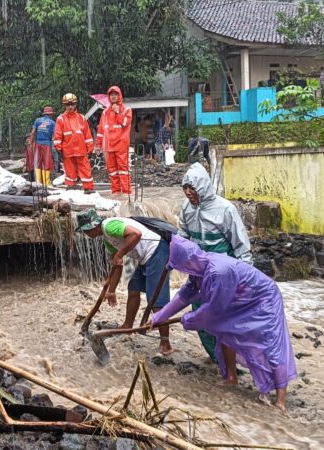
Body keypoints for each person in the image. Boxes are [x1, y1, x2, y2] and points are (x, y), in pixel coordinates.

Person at [150, 235, 297, 413]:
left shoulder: (218, 271)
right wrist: (159, 317)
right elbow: (184, 296)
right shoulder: (198, 269)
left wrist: (189, 319)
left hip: (262, 298)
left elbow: (213, 311)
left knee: (271, 342)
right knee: (226, 334)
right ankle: (231, 378)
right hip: (238, 297)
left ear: (186, 262)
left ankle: (280, 400)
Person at [179, 163, 253, 363]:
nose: (188, 192)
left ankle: (235, 365)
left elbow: (241, 245)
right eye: (185, 188)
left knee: (224, 320)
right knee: (201, 317)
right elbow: (183, 234)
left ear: (202, 186)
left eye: (192, 188)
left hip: (223, 274)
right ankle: (216, 358)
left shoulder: (225, 209)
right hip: (198, 273)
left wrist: (244, 277)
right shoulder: (187, 208)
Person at [76, 209, 173, 355]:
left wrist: (120, 254)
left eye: (85, 231)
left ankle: (165, 343)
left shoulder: (109, 226)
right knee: (133, 288)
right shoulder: (107, 239)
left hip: (157, 251)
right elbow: (117, 264)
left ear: (92, 227)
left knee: (156, 300)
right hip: (145, 256)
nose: (85, 234)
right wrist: (111, 291)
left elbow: (136, 234)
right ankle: (127, 326)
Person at [54, 93, 95, 193]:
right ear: (64, 105)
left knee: (85, 169)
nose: (70, 106)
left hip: (81, 150)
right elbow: (58, 135)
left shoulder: (81, 118)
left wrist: (90, 147)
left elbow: (87, 135)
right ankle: (71, 187)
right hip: (68, 150)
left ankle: (88, 188)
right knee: (70, 170)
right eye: (68, 104)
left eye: (72, 104)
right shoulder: (61, 119)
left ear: (75, 104)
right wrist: (58, 148)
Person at [96, 86, 133, 194]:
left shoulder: (126, 110)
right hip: (109, 146)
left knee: (123, 170)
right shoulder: (105, 112)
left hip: (121, 145)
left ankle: (126, 193)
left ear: (119, 96)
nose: (113, 96)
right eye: (111, 95)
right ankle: (116, 193)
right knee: (112, 171)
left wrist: (118, 112)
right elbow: (100, 130)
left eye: (115, 94)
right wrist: (98, 145)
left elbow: (125, 123)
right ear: (109, 96)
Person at [29, 106, 56, 186]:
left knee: (38, 162)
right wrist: (54, 145)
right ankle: (46, 183)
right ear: (51, 114)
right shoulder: (52, 123)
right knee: (47, 163)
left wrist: (31, 142)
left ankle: (38, 182)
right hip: (47, 144)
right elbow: (54, 136)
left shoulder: (37, 120)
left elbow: (33, 132)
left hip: (38, 143)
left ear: (44, 113)